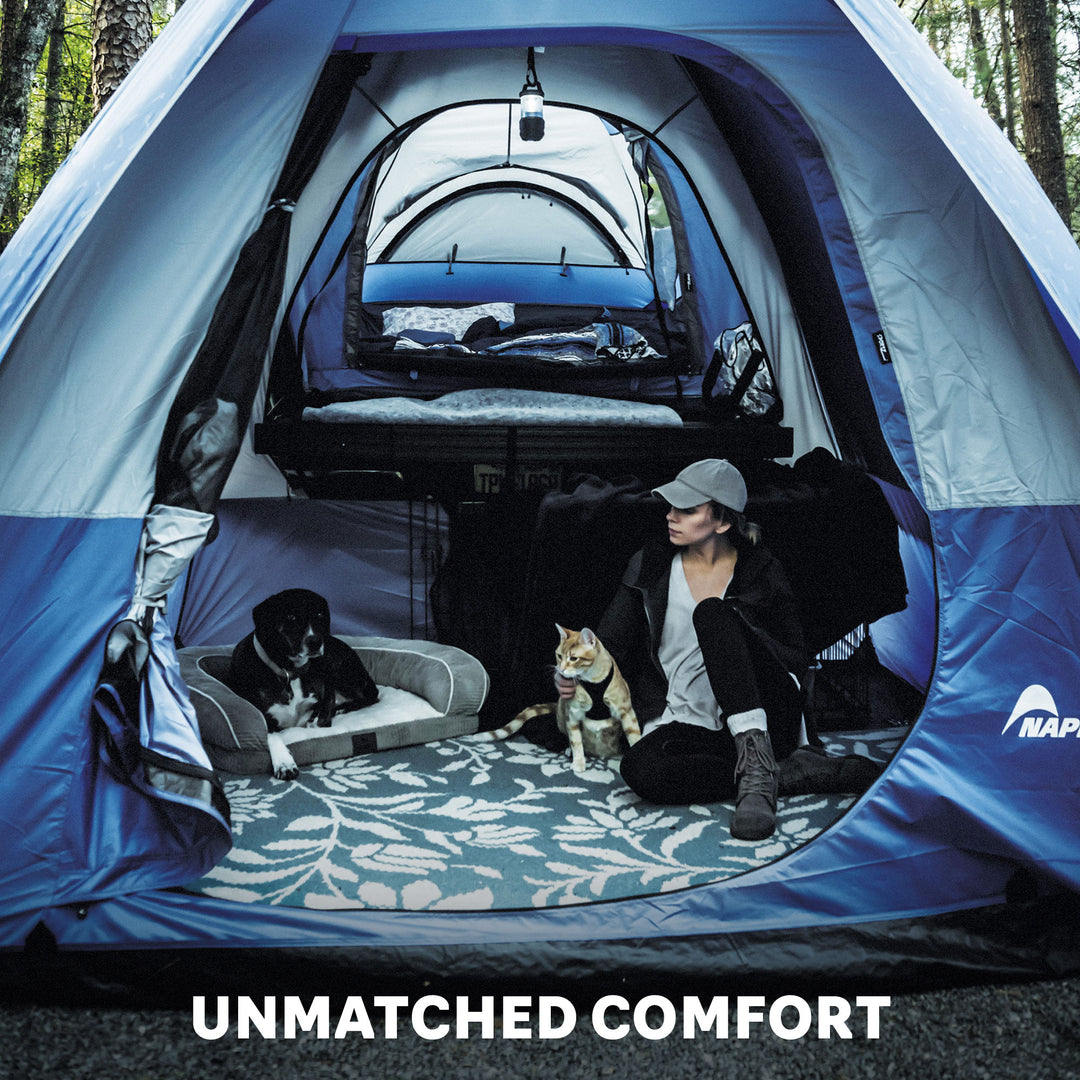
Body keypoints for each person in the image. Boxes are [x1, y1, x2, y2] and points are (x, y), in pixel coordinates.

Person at [557, 458, 878, 841]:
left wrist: (741, 633)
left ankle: (758, 769)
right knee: (640, 770)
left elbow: (795, 660)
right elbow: (610, 643)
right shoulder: (651, 564)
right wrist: (574, 675)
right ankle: (791, 773)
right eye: (671, 506)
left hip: (767, 711)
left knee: (711, 613)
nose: (671, 517)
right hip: (689, 718)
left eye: (687, 510)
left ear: (722, 522)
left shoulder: (761, 568)